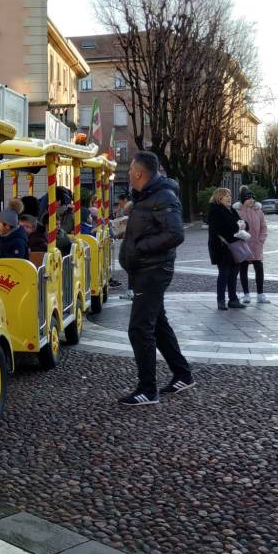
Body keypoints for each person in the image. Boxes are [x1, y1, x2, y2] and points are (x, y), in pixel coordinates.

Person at [117, 151, 192, 405]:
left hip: (153, 271)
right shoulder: (147, 196)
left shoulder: (163, 197)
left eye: (130, 171)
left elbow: (175, 234)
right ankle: (183, 374)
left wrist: (139, 247)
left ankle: (148, 390)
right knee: (158, 324)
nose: (128, 174)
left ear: (138, 172)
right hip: (145, 270)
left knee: (139, 329)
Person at [206, 187, 246, 310]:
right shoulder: (215, 210)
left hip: (235, 246)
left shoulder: (232, 210)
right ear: (219, 197)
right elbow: (218, 229)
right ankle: (221, 300)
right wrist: (237, 226)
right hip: (222, 248)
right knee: (224, 274)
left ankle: (233, 299)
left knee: (233, 274)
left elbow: (242, 223)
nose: (229, 198)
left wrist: (244, 225)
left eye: (229, 195)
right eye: (226, 196)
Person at [235, 189, 268, 304]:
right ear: (243, 199)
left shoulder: (258, 210)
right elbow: (235, 227)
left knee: (259, 267)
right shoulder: (237, 211)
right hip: (243, 244)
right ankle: (246, 294)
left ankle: (260, 294)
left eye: (252, 198)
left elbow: (264, 226)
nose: (251, 200)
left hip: (256, 244)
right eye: (249, 198)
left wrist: (261, 240)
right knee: (243, 268)